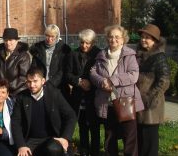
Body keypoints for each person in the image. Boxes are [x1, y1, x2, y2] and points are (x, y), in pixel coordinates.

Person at [90, 25, 144, 156]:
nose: (113, 39)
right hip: (107, 103)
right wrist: (102, 82)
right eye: (110, 36)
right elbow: (93, 73)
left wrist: (112, 80)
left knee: (129, 138)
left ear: (122, 40)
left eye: (117, 37)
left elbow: (133, 75)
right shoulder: (101, 55)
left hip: (126, 102)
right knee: (109, 137)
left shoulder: (129, 55)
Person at [11, 66, 76, 156]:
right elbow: (15, 122)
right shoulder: (21, 97)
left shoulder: (54, 94)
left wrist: (65, 138)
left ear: (43, 81)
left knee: (53, 149)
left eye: (35, 81)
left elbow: (71, 115)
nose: (32, 85)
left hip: (52, 139)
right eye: (29, 82)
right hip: (31, 140)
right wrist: (21, 145)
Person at [64, 29, 101, 156]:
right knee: (82, 124)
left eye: (87, 43)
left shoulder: (99, 54)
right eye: (82, 42)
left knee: (94, 125)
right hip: (79, 95)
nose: (84, 45)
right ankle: (84, 148)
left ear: (93, 42)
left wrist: (90, 82)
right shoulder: (73, 54)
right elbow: (67, 74)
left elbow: (102, 72)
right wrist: (79, 81)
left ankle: (95, 150)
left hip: (93, 94)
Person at [136, 24, 170, 156]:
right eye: (142, 37)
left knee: (150, 141)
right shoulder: (140, 55)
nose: (143, 40)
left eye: (147, 38)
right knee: (140, 139)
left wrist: (149, 98)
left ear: (155, 40)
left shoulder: (159, 57)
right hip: (138, 103)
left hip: (151, 105)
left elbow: (164, 81)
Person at [0, 28, 30, 97]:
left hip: (17, 94)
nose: (8, 43)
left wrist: (7, 87)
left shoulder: (23, 56)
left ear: (16, 41)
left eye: (11, 40)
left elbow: (23, 77)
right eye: (5, 40)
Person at [29, 24, 71, 90]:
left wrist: (51, 83)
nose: (49, 39)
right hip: (41, 84)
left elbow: (62, 70)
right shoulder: (38, 48)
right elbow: (34, 67)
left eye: (52, 36)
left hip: (58, 86)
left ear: (57, 36)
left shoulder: (63, 50)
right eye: (47, 36)